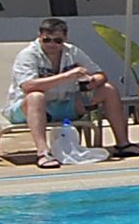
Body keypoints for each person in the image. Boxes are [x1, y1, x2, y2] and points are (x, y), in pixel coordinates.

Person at [9, 16, 129, 164]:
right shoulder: (28, 55)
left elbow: (101, 74)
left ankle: (123, 144)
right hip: (28, 108)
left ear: (65, 38)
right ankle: (43, 152)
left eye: (57, 40)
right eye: (47, 40)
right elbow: (28, 86)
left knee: (109, 89)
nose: (52, 44)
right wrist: (67, 75)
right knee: (36, 96)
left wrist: (92, 82)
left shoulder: (72, 52)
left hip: (65, 103)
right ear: (39, 36)